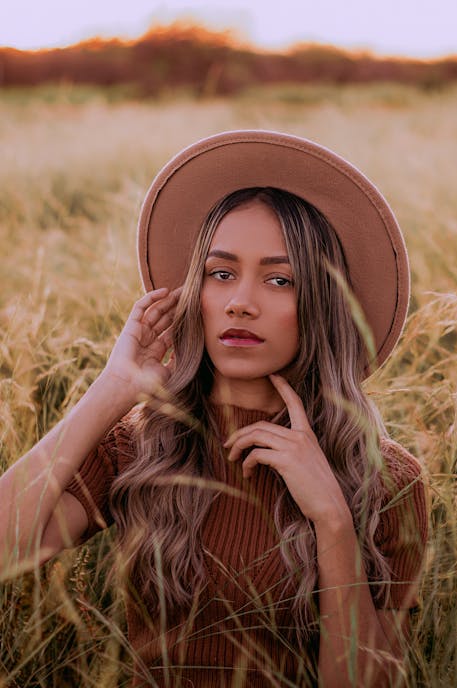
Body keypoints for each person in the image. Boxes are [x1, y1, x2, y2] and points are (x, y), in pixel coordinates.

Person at [0, 131, 428, 688]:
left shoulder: (389, 479)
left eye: (280, 280)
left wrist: (333, 521)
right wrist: (113, 388)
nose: (240, 302)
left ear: (323, 302)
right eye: (220, 273)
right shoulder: (141, 443)